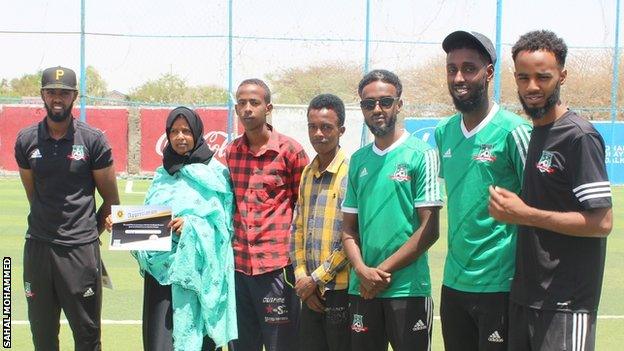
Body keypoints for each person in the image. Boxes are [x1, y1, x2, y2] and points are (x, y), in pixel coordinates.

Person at [488, 30, 613, 351]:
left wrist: (524, 214)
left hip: (566, 304)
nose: (532, 87)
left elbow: (602, 223)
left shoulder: (578, 137)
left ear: (562, 76)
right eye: (523, 77)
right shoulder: (537, 133)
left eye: (543, 77)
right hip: (526, 297)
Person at [435, 31, 531, 351]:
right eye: (452, 69)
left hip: (500, 285)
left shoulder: (515, 131)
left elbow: (540, 205)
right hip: (453, 285)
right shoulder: (443, 132)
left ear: (488, 73)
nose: (459, 77)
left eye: (468, 68)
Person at [112, 107, 237, 350]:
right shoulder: (162, 174)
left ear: (197, 134)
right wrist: (120, 227)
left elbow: (223, 228)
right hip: (161, 278)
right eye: (174, 131)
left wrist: (192, 226)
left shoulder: (216, 174)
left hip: (197, 277)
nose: (180, 137)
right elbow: (150, 219)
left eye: (186, 131)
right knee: (160, 342)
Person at [14, 66, 120, 350]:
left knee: (86, 337)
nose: (57, 98)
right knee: (43, 336)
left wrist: (86, 236)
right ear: (42, 96)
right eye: (51, 92)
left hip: (79, 253)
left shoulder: (93, 140)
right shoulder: (26, 140)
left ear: (75, 96)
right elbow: (33, 194)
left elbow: (111, 200)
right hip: (38, 249)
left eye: (64, 93)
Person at [341, 69, 442, 351]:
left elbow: (429, 229)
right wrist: (362, 271)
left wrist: (378, 273)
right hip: (362, 288)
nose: (377, 109)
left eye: (385, 101)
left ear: (399, 104)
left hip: (407, 289)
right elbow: (349, 229)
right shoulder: (359, 160)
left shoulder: (422, 154)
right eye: (367, 103)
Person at [225, 79, 309, 351]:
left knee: (281, 346)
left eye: (254, 102)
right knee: (242, 346)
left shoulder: (290, 151)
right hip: (238, 269)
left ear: (268, 107)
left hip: (277, 270)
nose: (247, 108)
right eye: (241, 103)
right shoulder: (230, 152)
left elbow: (303, 208)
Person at [291, 94, 351, 351]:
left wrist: (315, 279)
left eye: (326, 127)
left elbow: (352, 236)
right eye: (312, 127)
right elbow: (298, 228)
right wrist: (302, 276)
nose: (318, 133)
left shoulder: (351, 172)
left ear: (341, 130)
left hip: (340, 290)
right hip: (309, 290)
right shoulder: (308, 171)